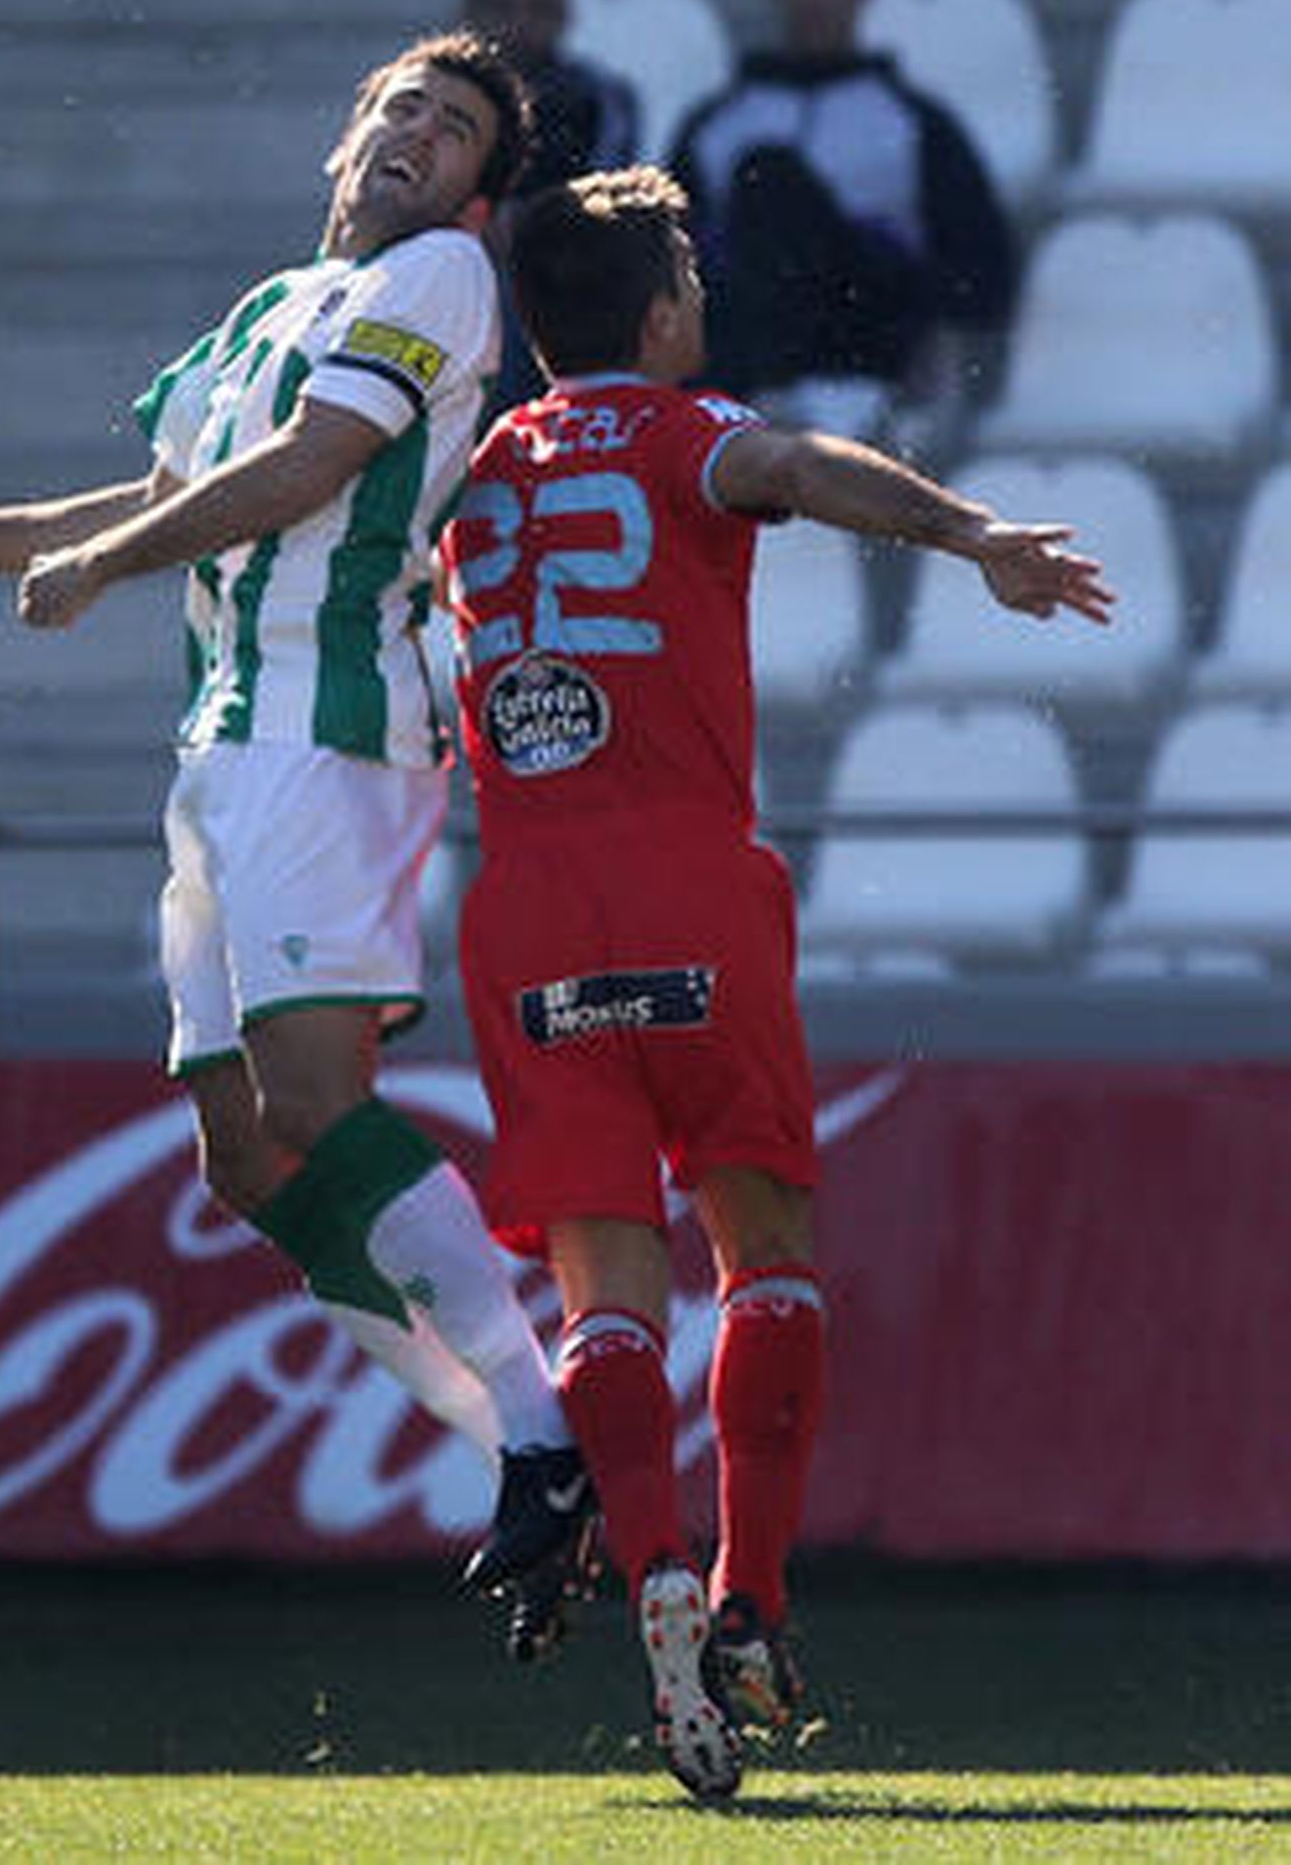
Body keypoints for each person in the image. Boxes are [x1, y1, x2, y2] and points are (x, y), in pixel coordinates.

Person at [0, 32, 592, 1642]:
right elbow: (159, 482)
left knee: (312, 1095)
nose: (420, 141)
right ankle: (533, 1451)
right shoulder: (262, 310)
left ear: (475, 196)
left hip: (329, 725)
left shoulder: (443, 277)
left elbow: (309, 469)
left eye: (454, 134)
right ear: (345, 132)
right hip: (224, 742)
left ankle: (547, 1432)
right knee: (244, 1160)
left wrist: (107, 570)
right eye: (402, 112)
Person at [440, 167, 1113, 1799]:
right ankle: (749, 1592)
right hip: (689, 876)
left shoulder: (462, 467)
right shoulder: (681, 433)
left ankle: (650, 1561)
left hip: (528, 902)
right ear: (664, 315)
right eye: (688, 275)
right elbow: (799, 465)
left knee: (606, 1285)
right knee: (764, 1253)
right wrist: (970, 533)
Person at [668, 0, 1017, 448]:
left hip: (865, 342)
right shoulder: (716, 126)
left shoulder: (915, 124)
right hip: (745, 353)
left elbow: (985, 280)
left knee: (772, 182)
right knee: (763, 185)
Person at [459, 0, 640, 416]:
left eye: (538, 7)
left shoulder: (599, 98)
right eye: (503, 6)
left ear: (564, 14)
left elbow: (595, 214)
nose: (520, 23)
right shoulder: (433, 99)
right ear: (471, 12)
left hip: (550, 293)